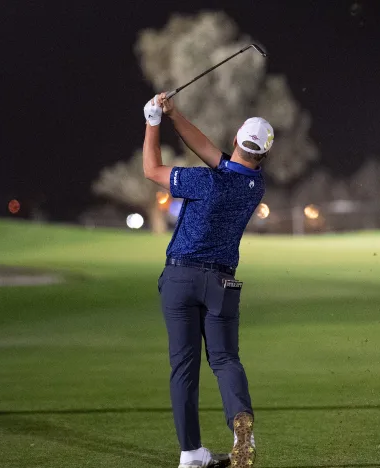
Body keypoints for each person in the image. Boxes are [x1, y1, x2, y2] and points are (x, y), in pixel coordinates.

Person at [142, 92, 272, 468]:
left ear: (235, 140)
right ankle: (239, 422)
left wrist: (153, 122)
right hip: (222, 284)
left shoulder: (203, 182)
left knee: (184, 367)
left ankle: (190, 453)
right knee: (226, 359)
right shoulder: (254, 187)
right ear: (262, 156)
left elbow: (152, 169)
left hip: (181, 277)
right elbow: (208, 150)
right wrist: (173, 114)